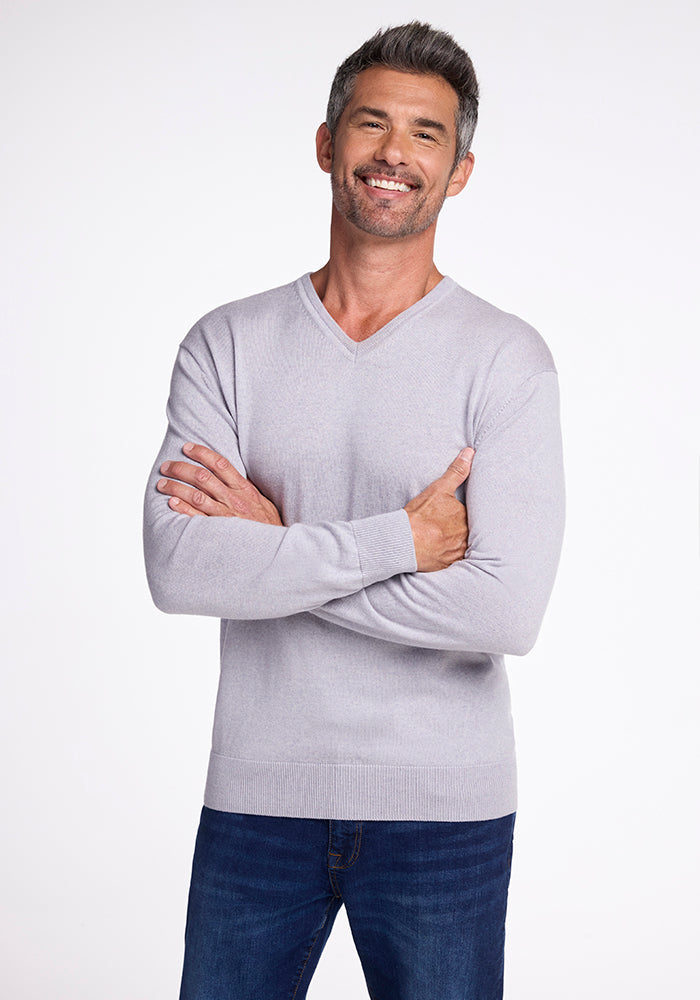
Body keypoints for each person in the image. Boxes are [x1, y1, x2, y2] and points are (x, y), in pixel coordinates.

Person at [144, 21, 564, 1000]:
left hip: (444, 811)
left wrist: (273, 549)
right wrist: (400, 544)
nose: (393, 153)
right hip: (256, 799)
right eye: (371, 124)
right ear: (326, 143)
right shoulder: (228, 345)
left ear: (457, 172)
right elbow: (178, 569)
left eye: (425, 134)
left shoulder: (505, 359)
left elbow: (503, 613)